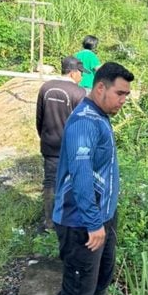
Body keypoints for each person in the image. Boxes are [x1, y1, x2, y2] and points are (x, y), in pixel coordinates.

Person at [47, 61, 134, 295]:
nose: (123, 100)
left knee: (101, 275)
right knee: (77, 287)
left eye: (126, 94)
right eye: (120, 93)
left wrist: (105, 219)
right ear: (100, 88)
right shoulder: (85, 121)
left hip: (101, 217)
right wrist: (93, 222)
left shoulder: (100, 116)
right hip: (81, 220)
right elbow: (82, 175)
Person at [35, 56, 86, 230]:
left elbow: (39, 118)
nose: (82, 77)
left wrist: (44, 137)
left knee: (50, 182)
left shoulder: (46, 88)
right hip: (71, 146)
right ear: (73, 72)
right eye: (81, 73)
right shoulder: (79, 93)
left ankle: (49, 222)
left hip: (49, 144)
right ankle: (67, 221)